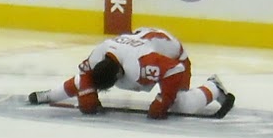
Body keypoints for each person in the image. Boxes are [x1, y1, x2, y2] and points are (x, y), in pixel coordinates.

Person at [27, 26, 233, 117]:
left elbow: (175, 69)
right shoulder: (99, 54)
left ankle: (213, 86)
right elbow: (85, 77)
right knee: (85, 85)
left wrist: (164, 100)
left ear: (117, 76)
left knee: (182, 106)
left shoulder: (141, 65)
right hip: (145, 41)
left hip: (174, 56)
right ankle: (50, 93)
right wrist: (87, 94)